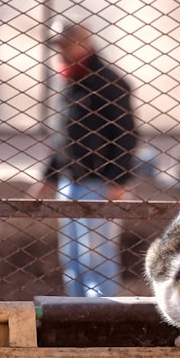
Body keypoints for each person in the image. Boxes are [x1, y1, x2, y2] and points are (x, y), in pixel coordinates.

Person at [34, 21, 139, 297]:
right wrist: (50, 177)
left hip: (99, 183)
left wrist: (118, 181)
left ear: (85, 44)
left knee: (96, 256)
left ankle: (101, 313)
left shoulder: (110, 83)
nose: (61, 52)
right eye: (59, 47)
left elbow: (126, 136)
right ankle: (75, 311)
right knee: (72, 257)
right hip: (69, 182)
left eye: (66, 45)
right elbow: (64, 137)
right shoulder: (71, 82)